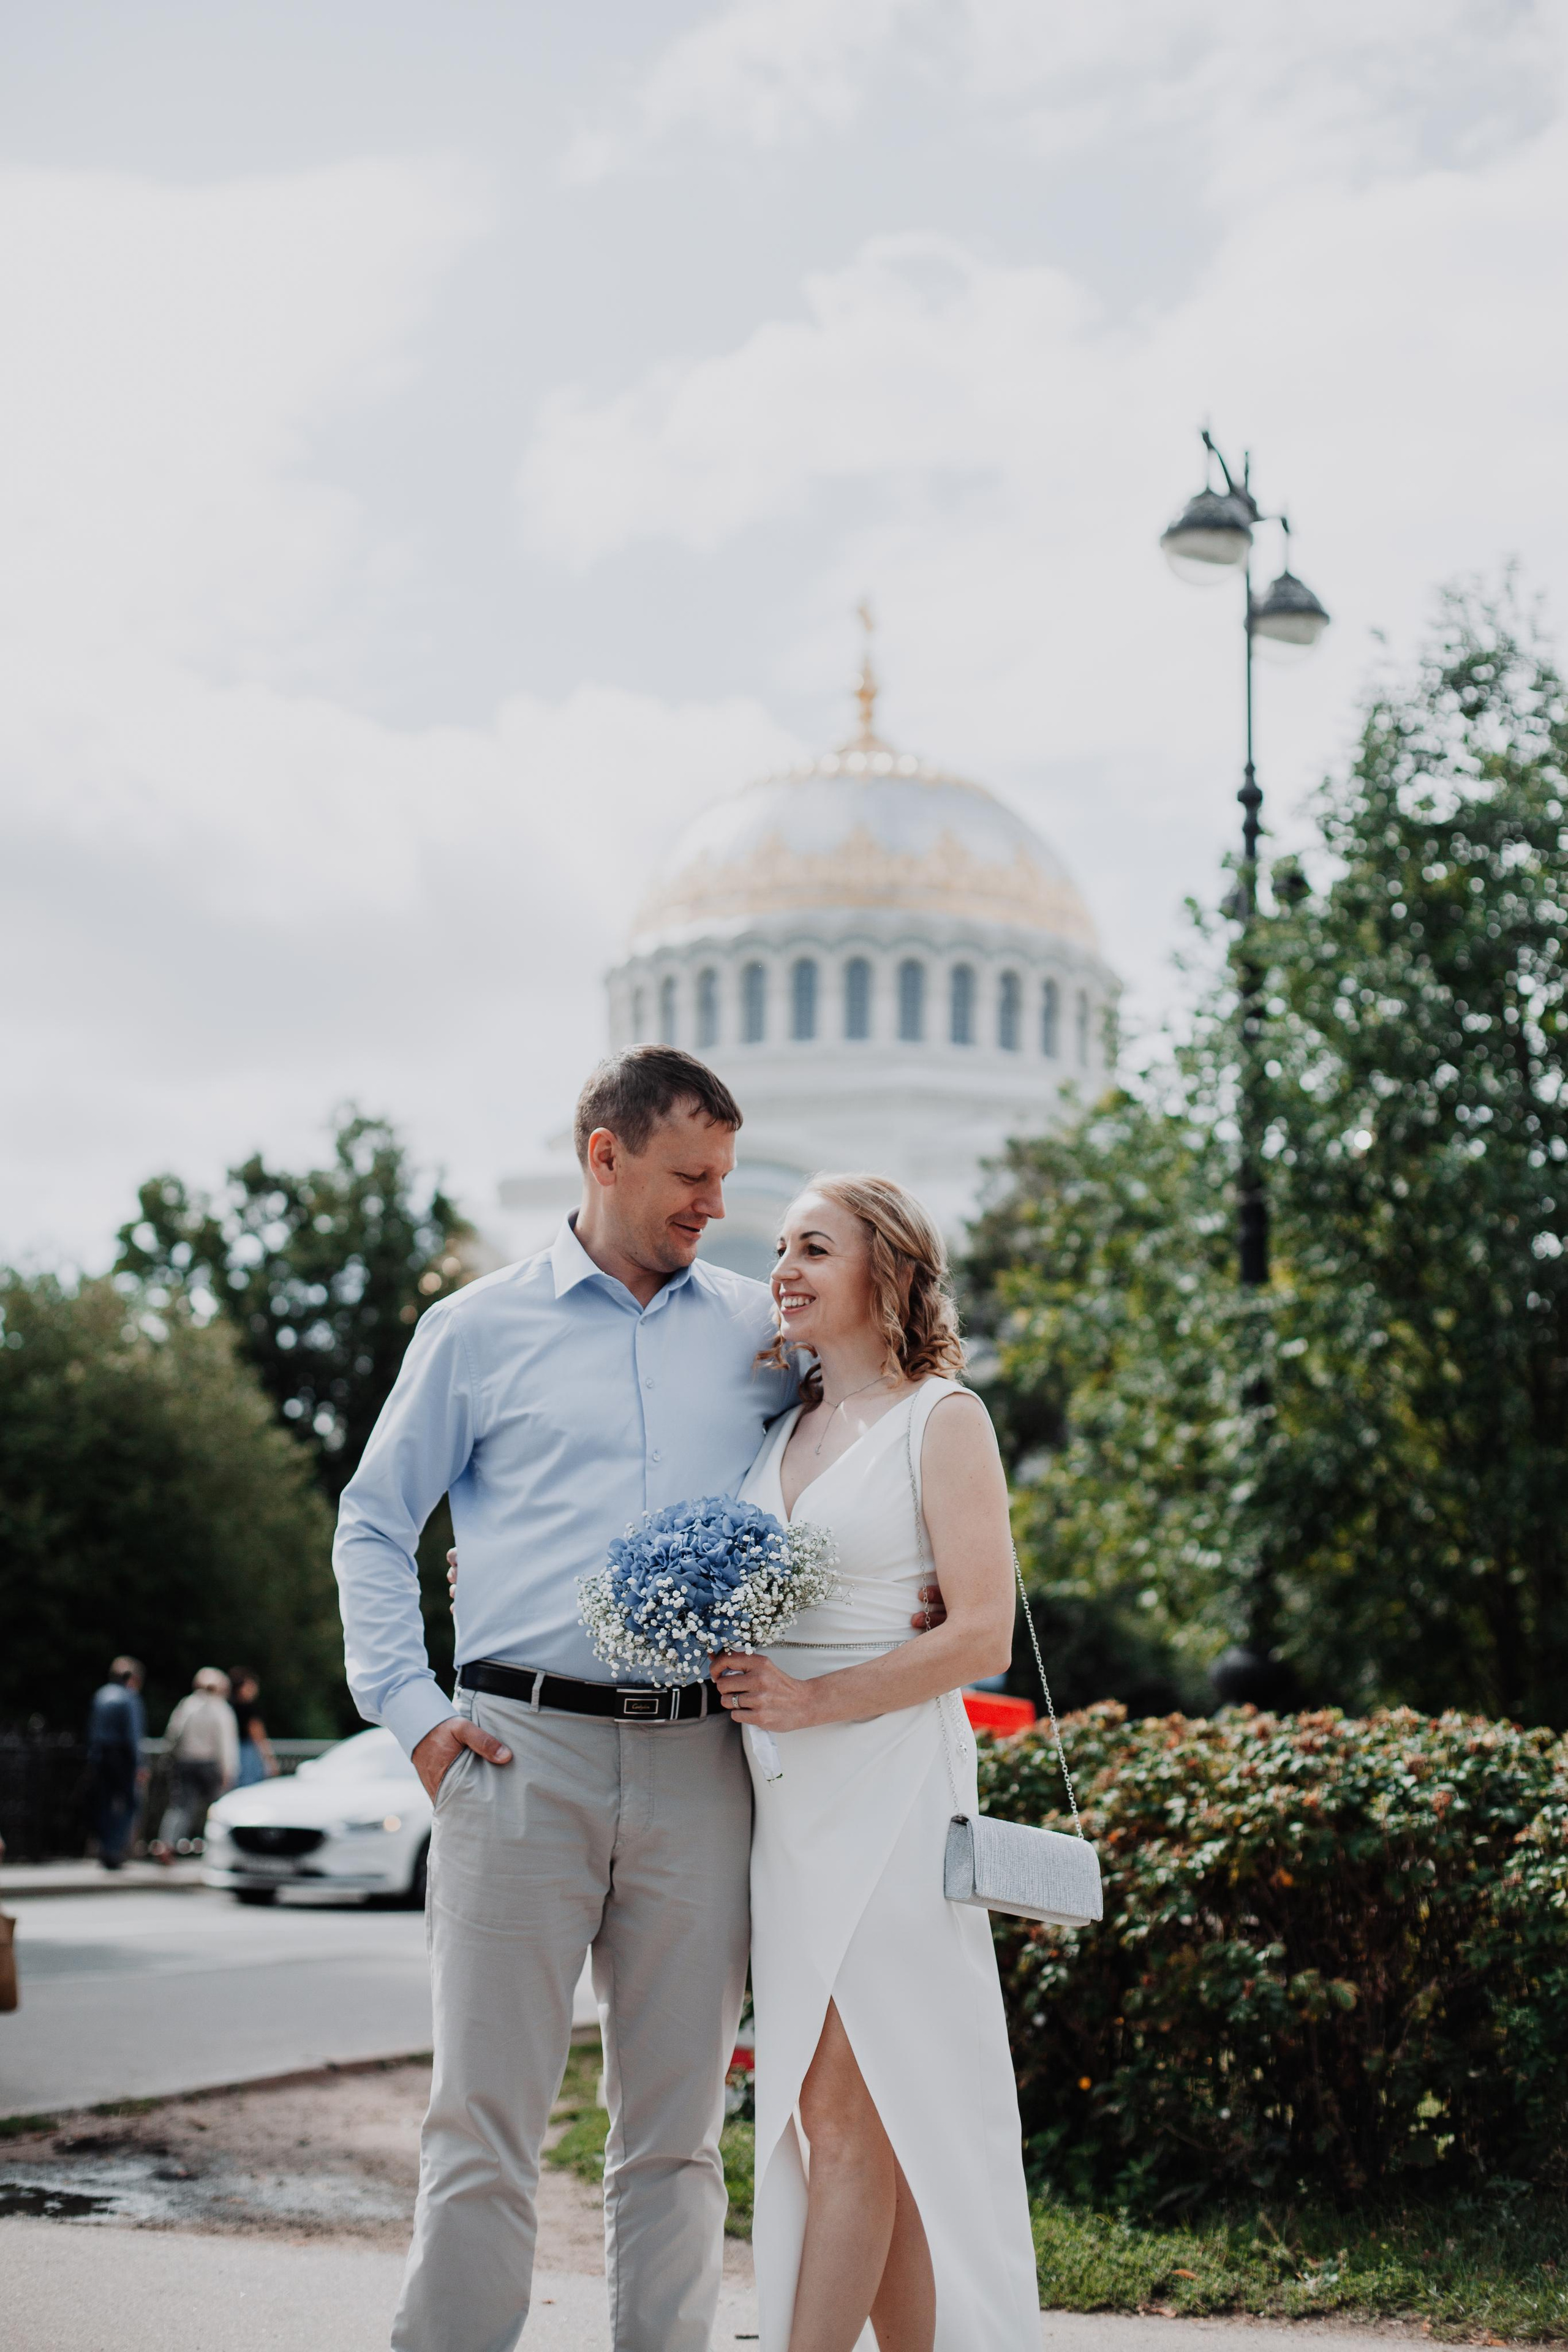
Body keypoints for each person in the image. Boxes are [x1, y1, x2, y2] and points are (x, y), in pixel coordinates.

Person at [332, 1048, 945, 2352]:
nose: (714, 1206)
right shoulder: (475, 1329)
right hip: (514, 1754)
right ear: (602, 1156)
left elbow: (869, 1456)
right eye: (689, 1176)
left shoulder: (757, 1330)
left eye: (724, 1177)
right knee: (481, 2126)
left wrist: (927, 1590)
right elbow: (373, 1526)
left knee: (671, 2141)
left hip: (698, 1765)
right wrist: (413, 1714)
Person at [712, 1174, 1041, 2351]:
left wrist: (813, 1700)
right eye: (783, 1250)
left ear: (885, 1271)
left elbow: (981, 1634)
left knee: (838, 2112)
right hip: (786, 1800)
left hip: (891, 1785)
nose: (784, 1269)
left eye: (815, 1247)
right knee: (858, 2113)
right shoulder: (782, 1426)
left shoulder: (942, 1418)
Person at [154, 1668, 238, 1858]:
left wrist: (169, 1756)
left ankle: (167, 1844)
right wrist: (229, 1771)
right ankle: (220, 1847)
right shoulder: (222, 1709)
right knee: (218, 1807)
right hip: (210, 1764)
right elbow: (226, 1745)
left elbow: (173, 1734)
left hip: (185, 1762)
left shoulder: (187, 1705)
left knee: (180, 1806)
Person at [85, 1656, 147, 1871]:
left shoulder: (101, 1695)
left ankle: (103, 1848)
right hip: (122, 1757)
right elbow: (133, 1735)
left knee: (104, 1803)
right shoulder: (129, 1699)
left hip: (101, 1756)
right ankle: (114, 1849)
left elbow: (93, 1731)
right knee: (129, 1804)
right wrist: (140, 1764)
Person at [228, 1668, 278, 1787]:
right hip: (247, 1751)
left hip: (232, 1750)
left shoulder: (229, 1706)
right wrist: (270, 1760)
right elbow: (258, 1735)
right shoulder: (250, 1709)